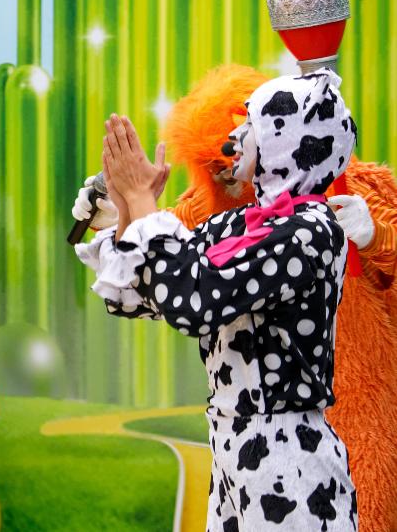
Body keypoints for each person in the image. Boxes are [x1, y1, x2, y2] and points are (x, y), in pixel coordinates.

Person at [77, 69, 358, 530]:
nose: (236, 138)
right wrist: (127, 208)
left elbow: (194, 304)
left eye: (252, 125)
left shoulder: (311, 232)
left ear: (287, 142)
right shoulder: (243, 224)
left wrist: (144, 205)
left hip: (289, 459)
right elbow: (139, 294)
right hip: (232, 449)